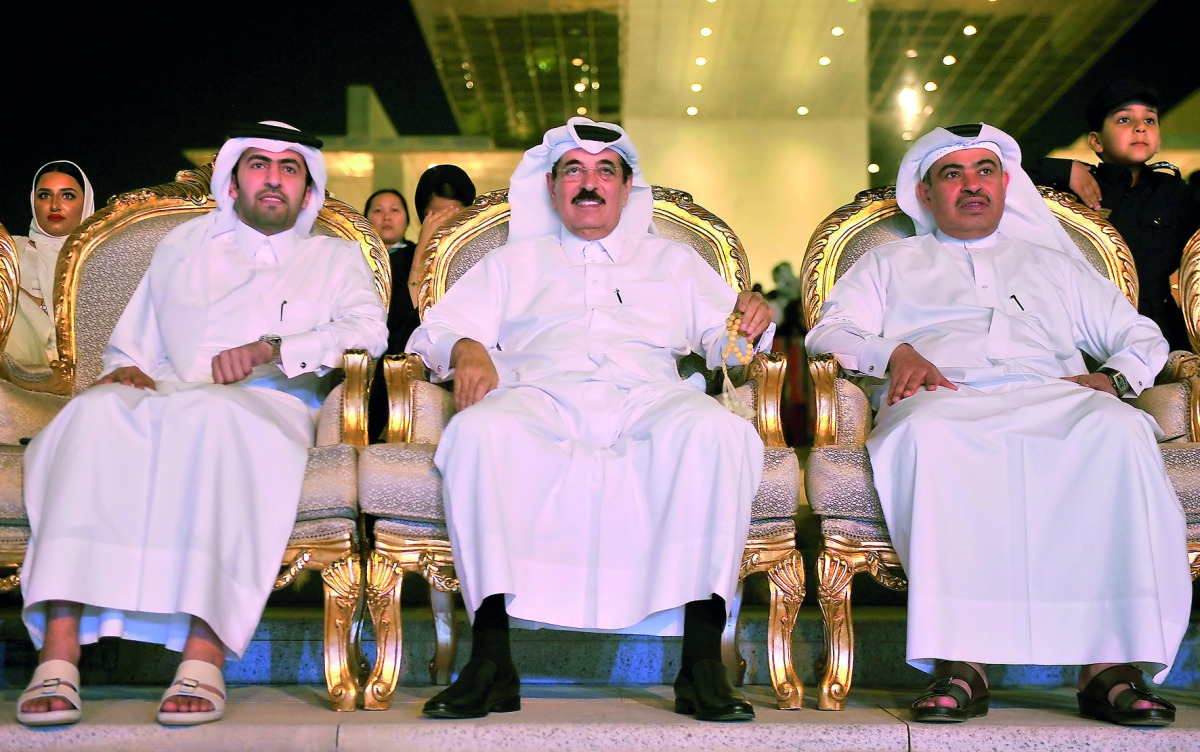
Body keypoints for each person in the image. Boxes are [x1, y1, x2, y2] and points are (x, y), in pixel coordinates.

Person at [806, 122, 1191, 727]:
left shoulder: (1052, 263)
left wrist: (1115, 379)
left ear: (1006, 184)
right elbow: (829, 332)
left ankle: (1110, 665)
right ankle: (962, 662)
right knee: (928, 437)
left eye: (984, 171)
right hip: (942, 398)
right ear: (926, 193)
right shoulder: (889, 262)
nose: (971, 186)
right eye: (952, 174)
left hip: (1052, 396)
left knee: (1117, 432)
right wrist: (894, 354)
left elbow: (1138, 335)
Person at [14, 121, 388, 727]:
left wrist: (273, 347)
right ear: (234, 181)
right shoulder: (183, 245)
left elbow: (368, 333)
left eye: (289, 167)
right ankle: (59, 653)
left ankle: (204, 655)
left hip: (268, 404)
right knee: (90, 416)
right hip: (168, 396)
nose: (273, 178)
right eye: (258, 165)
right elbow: (133, 342)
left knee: (216, 419)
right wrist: (127, 369)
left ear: (307, 187)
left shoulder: (335, 256)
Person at [407, 117, 774, 722]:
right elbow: (435, 330)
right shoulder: (511, 264)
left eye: (605, 171)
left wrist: (747, 328)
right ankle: (492, 661)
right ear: (552, 190)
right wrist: (467, 348)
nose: (589, 183)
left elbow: (726, 352)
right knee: (474, 433)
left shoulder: (673, 261)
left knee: (717, 433)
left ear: (627, 190)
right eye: (573, 170)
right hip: (539, 396)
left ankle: (702, 664)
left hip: (646, 398)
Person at [1027, 77, 1200, 352]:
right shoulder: (1076, 186)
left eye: (1150, 120)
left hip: (1162, 329)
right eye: (1124, 120)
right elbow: (1002, 177)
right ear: (1096, 141)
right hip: (1089, 330)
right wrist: (1063, 169)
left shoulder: (1174, 193)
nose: (1140, 127)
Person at [367, 165, 475, 442]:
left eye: (458, 219)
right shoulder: (401, 261)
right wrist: (422, 258)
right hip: (408, 367)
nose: (450, 229)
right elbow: (396, 336)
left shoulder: (483, 260)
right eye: (440, 218)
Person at [4, 161, 96, 368]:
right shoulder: (10, 249)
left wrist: (27, 301)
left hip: (73, 360)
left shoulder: (98, 258)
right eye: (44, 195)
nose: (54, 205)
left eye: (67, 195)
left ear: (86, 202)